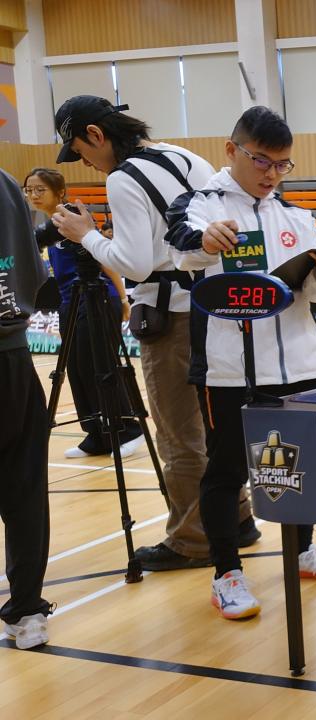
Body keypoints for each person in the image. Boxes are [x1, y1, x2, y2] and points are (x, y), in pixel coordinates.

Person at [48, 95, 257, 572]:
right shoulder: (184, 155)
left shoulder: (123, 177)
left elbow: (136, 263)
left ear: (96, 135)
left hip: (172, 317)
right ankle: (237, 518)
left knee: (180, 435)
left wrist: (86, 235)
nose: (85, 162)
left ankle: (193, 540)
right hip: (218, 308)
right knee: (217, 427)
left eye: (80, 151)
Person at [165, 106, 316, 620]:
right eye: (262, 161)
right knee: (226, 471)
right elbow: (181, 250)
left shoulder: (297, 216)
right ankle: (226, 572)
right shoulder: (199, 205)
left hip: (301, 366)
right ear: (232, 151)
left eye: (282, 164)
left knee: (302, 466)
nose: (272, 174)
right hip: (229, 369)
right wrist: (205, 242)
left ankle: (303, 550)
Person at [24, 168, 144, 459]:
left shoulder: (72, 218)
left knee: (100, 364)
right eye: (29, 190)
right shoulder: (46, 226)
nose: (33, 195)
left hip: (97, 297)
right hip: (69, 302)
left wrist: (123, 299)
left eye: (40, 189)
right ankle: (97, 434)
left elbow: (105, 260)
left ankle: (129, 429)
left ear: (59, 192)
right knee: (77, 368)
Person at [0, 169, 55, 649]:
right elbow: (35, 275)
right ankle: (26, 609)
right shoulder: (4, 183)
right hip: (14, 358)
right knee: (24, 490)